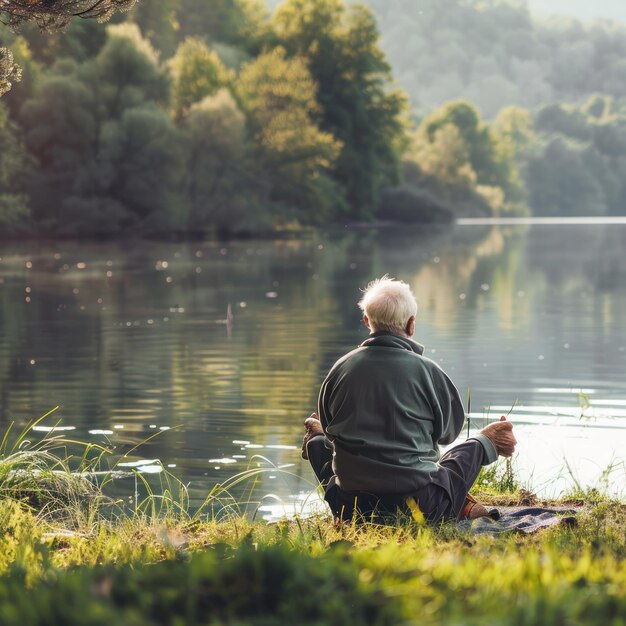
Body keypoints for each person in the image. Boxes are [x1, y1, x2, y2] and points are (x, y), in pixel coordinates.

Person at [302, 275, 517, 524]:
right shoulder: (429, 372)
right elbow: (448, 435)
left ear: (366, 321)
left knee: (319, 443)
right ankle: (488, 440)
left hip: (351, 508)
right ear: (411, 324)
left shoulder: (339, 370)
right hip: (422, 508)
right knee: (468, 449)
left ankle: (313, 437)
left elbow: (331, 431)